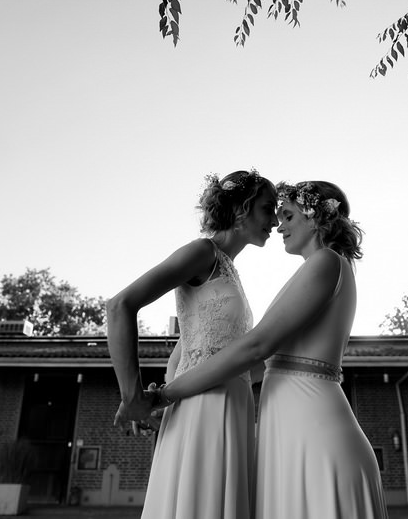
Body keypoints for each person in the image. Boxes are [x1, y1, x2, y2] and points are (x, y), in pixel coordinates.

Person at [151, 180, 388, 519]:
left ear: (316, 216)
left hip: (313, 428)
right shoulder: (321, 267)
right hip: (290, 423)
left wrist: (165, 395)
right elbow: (263, 360)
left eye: (289, 216)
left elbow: (257, 345)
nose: (279, 226)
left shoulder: (326, 262)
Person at [106, 169, 278, 519]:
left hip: (235, 404)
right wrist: (134, 397)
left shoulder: (230, 270)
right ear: (242, 209)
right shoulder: (203, 253)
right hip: (205, 407)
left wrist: (162, 394)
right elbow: (119, 306)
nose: (275, 219)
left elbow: (189, 343)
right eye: (268, 208)